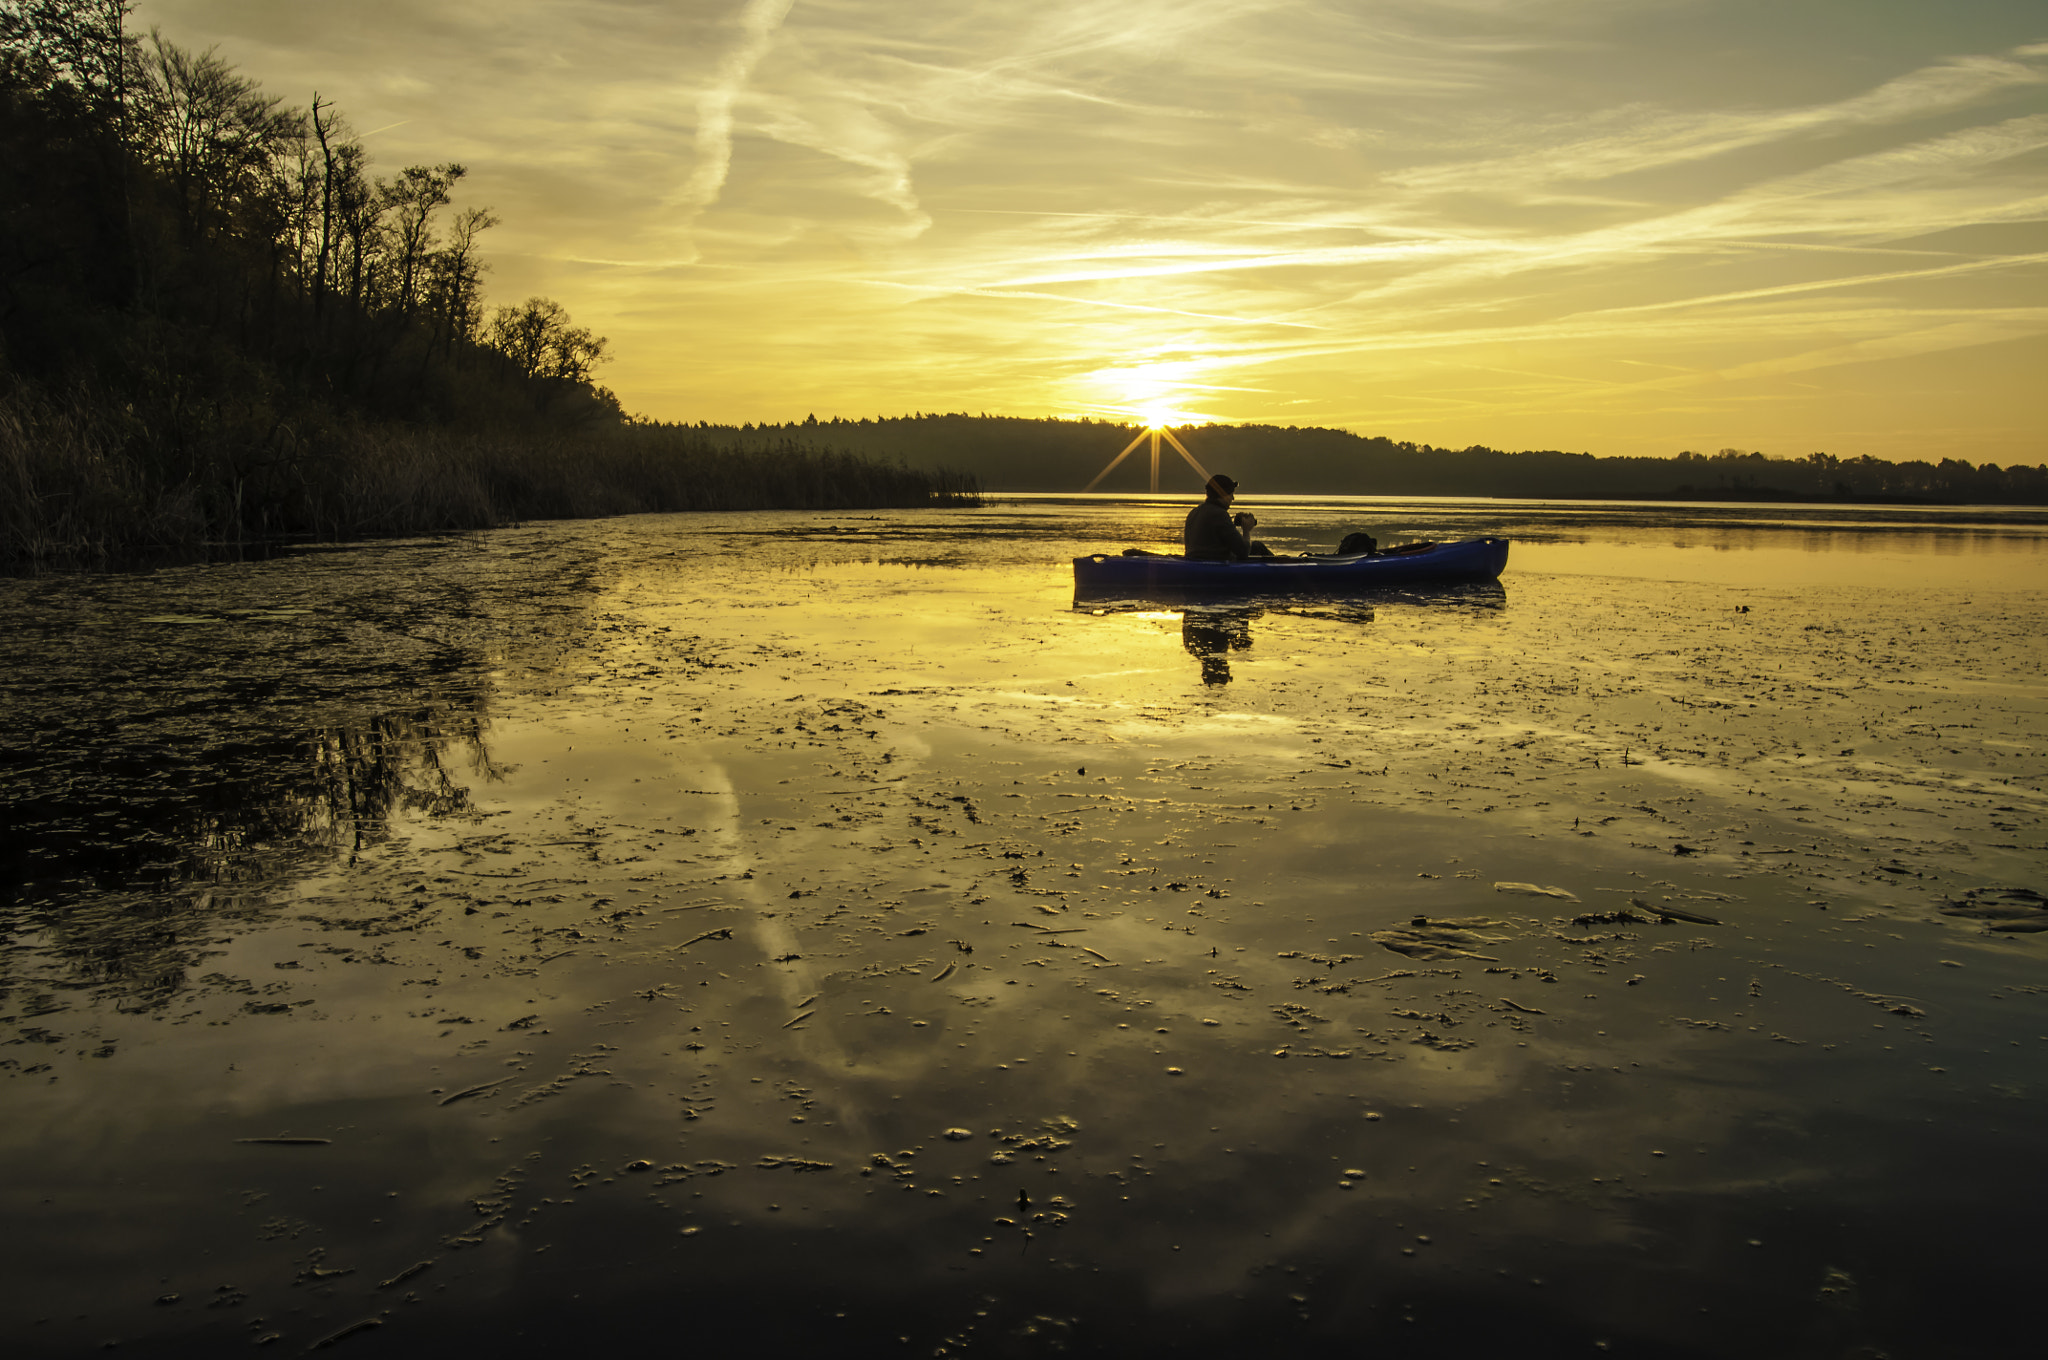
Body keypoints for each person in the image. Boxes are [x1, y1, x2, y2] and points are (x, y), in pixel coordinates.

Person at [1183, 474, 1270, 560]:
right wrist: (1246, 530)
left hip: (1195, 560)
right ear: (1223, 494)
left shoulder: (1193, 512)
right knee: (1258, 546)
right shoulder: (1220, 514)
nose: (1233, 498)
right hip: (1214, 563)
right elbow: (1243, 552)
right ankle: (1280, 568)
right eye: (1231, 494)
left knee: (1254, 546)